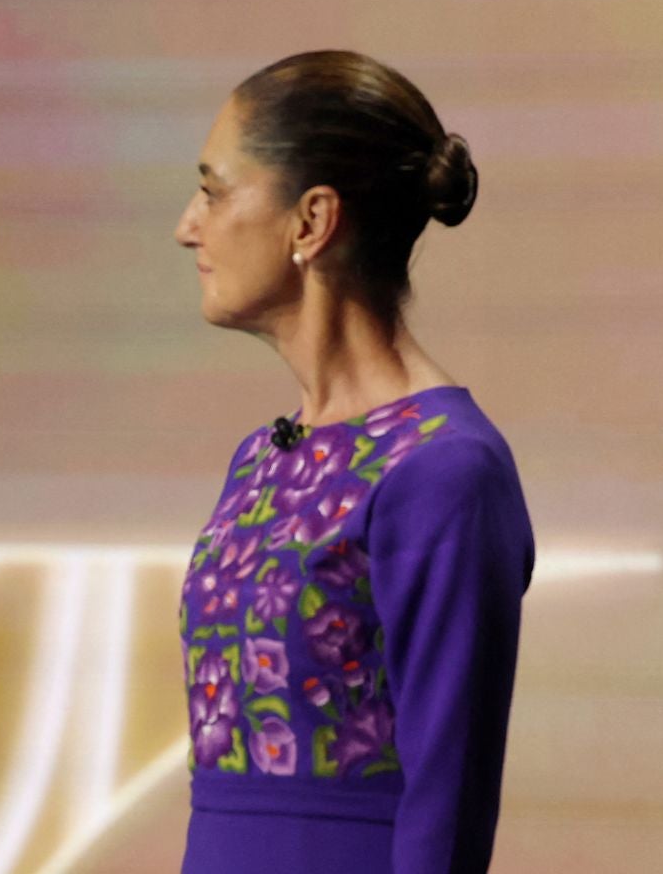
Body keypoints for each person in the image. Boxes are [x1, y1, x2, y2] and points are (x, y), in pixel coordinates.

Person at [171, 50, 535, 872]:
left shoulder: (445, 471)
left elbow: (448, 804)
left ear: (311, 221)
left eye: (214, 190)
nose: (187, 225)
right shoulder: (261, 458)